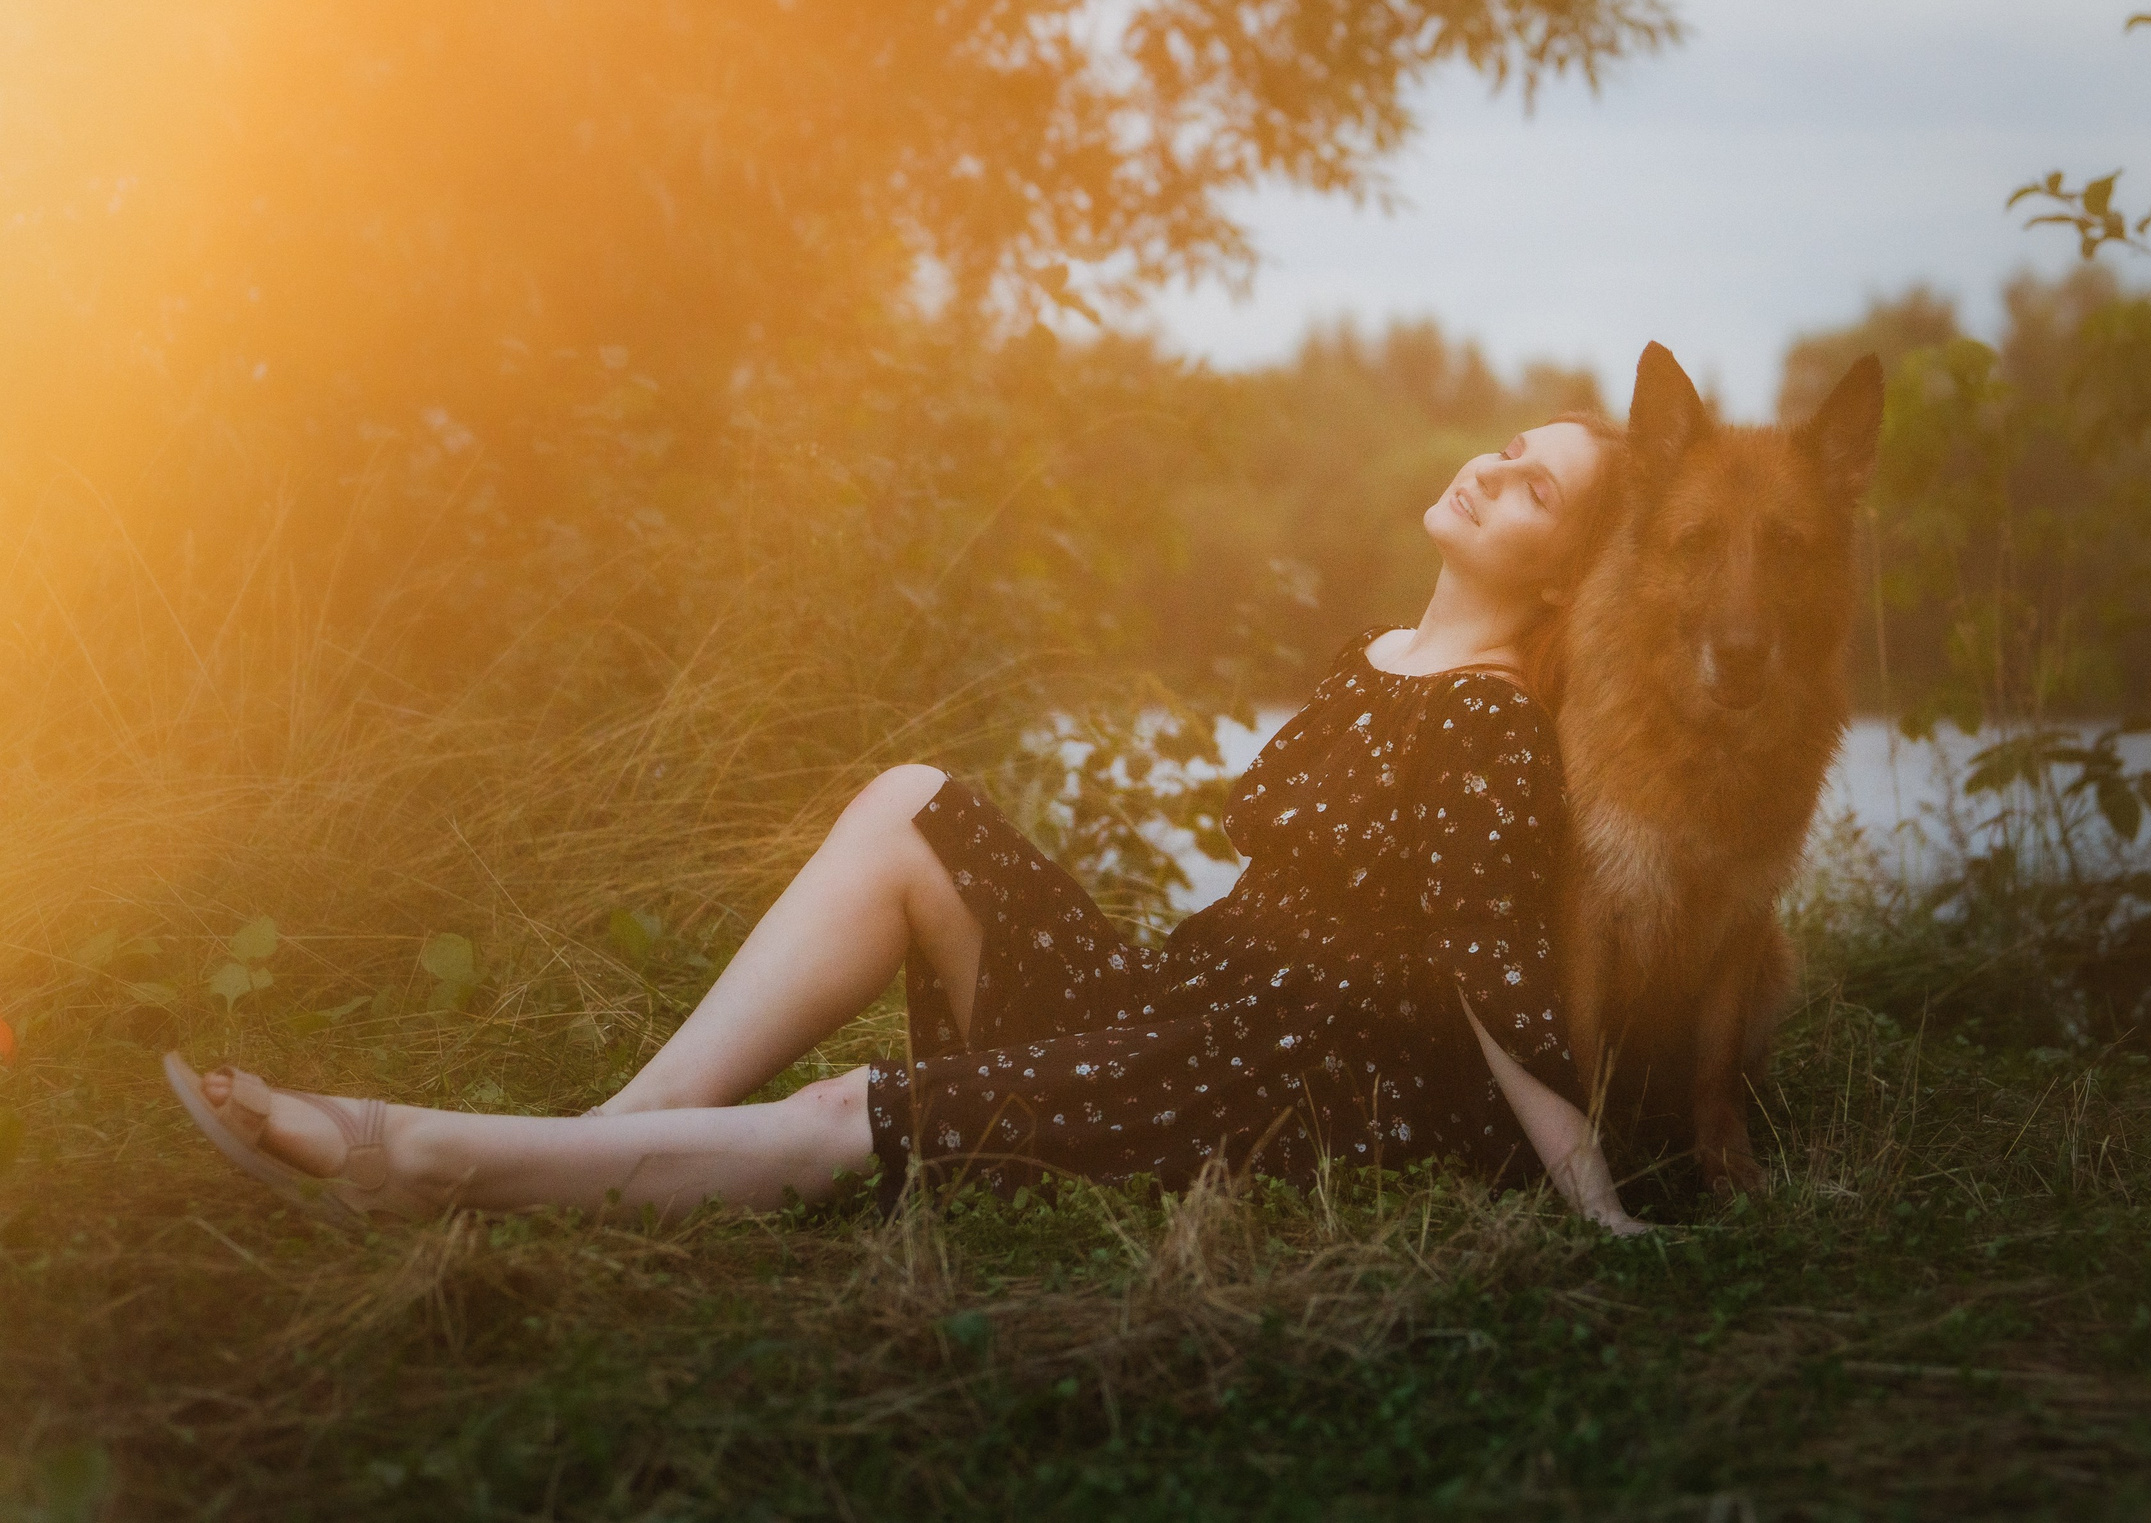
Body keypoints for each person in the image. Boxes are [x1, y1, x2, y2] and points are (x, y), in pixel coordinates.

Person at [167, 415, 1651, 1235]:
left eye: (1535, 489)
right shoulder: (1383, 656)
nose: (1488, 467)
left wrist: (1593, 1202)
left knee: (843, 1112)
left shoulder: (1490, 723)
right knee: (912, 803)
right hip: (1191, 1008)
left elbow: (1495, 975)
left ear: (1567, 582)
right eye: (1504, 446)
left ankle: (427, 1162)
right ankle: (605, 1140)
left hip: (1278, 1093)